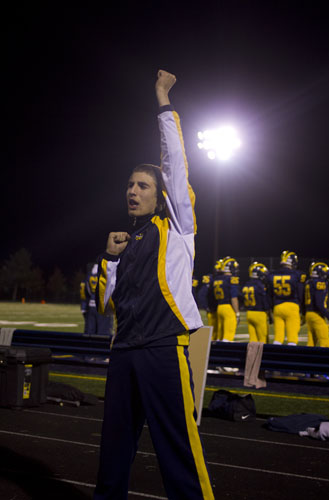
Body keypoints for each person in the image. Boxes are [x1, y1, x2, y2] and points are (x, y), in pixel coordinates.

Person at [93, 70, 215, 500]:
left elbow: (174, 164)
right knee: (113, 452)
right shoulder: (123, 244)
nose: (132, 190)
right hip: (124, 352)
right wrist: (108, 260)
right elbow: (106, 305)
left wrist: (163, 100)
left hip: (164, 348)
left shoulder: (176, 226)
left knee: (177, 449)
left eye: (142, 185)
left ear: (160, 194)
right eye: (129, 184)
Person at [267, 250, 306, 345]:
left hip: (277, 307)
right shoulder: (297, 274)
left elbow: (269, 295)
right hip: (292, 306)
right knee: (292, 338)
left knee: (278, 338)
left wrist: (271, 309)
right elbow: (301, 294)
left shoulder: (272, 275)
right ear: (292, 261)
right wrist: (303, 310)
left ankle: (275, 357)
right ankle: (290, 358)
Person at [208, 257, 240, 342]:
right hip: (228, 308)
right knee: (228, 337)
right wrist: (237, 313)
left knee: (220, 336)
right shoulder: (232, 279)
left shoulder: (217, 279)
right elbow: (234, 297)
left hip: (219, 308)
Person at [305, 261, 329, 347]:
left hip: (309, 314)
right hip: (317, 315)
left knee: (311, 343)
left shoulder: (309, 282)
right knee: (325, 341)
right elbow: (319, 304)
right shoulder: (319, 283)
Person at [242, 261, 271, 343]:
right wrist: (269, 314)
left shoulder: (247, 284)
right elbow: (264, 302)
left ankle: (252, 356)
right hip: (260, 314)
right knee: (263, 340)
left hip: (249, 313)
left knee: (252, 341)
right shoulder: (260, 286)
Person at [84, 263, 113, 336]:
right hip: (103, 306)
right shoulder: (106, 274)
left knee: (90, 332)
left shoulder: (90, 275)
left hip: (92, 305)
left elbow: (87, 291)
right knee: (103, 334)